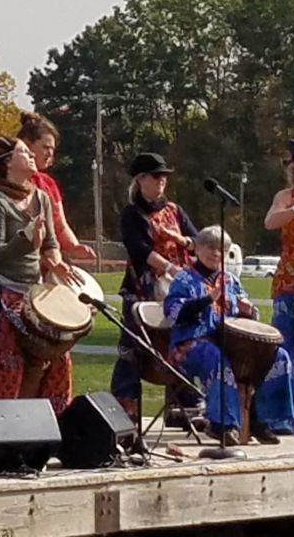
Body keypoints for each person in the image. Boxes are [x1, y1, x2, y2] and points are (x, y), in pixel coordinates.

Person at [0, 137, 76, 413]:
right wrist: (26, 241)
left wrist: (55, 263)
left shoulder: (40, 197)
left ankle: (53, 425)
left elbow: (50, 243)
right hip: (2, 293)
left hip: (35, 293)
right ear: (7, 162)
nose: (31, 155)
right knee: (7, 364)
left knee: (58, 358)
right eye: (23, 152)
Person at [165, 226, 294, 445]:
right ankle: (222, 425)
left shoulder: (231, 281)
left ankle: (265, 421)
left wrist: (249, 310)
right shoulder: (184, 279)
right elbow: (173, 313)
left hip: (231, 345)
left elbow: (250, 317)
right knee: (216, 357)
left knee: (279, 355)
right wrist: (208, 299)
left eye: (221, 250)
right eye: (210, 247)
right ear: (197, 248)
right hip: (191, 345)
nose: (216, 253)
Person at [110, 153, 200, 423]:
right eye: (156, 176)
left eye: (165, 177)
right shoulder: (132, 213)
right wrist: (170, 269)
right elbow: (140, 250)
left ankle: (184, 408)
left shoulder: (174, 210)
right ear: (141, 180)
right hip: (142, 289)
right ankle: (124, 412)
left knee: (181, 343)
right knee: (134, 349)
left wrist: (181, 240)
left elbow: (197, 240)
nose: (162, 181)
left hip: (177, 291)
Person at [17, 112, 96, 260]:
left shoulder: (48, 183)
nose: (50, 154)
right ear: (26, 145)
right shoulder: (12, 181)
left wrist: (74, 246)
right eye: (46, 147)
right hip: (22, 264)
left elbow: (60, 225)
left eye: (53, 149)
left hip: (51, 260)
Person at [264, 139, 294, 436]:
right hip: (289, 282)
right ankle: (281, 419)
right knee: (284, 351)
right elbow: (269, 222)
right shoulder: (285, 197)